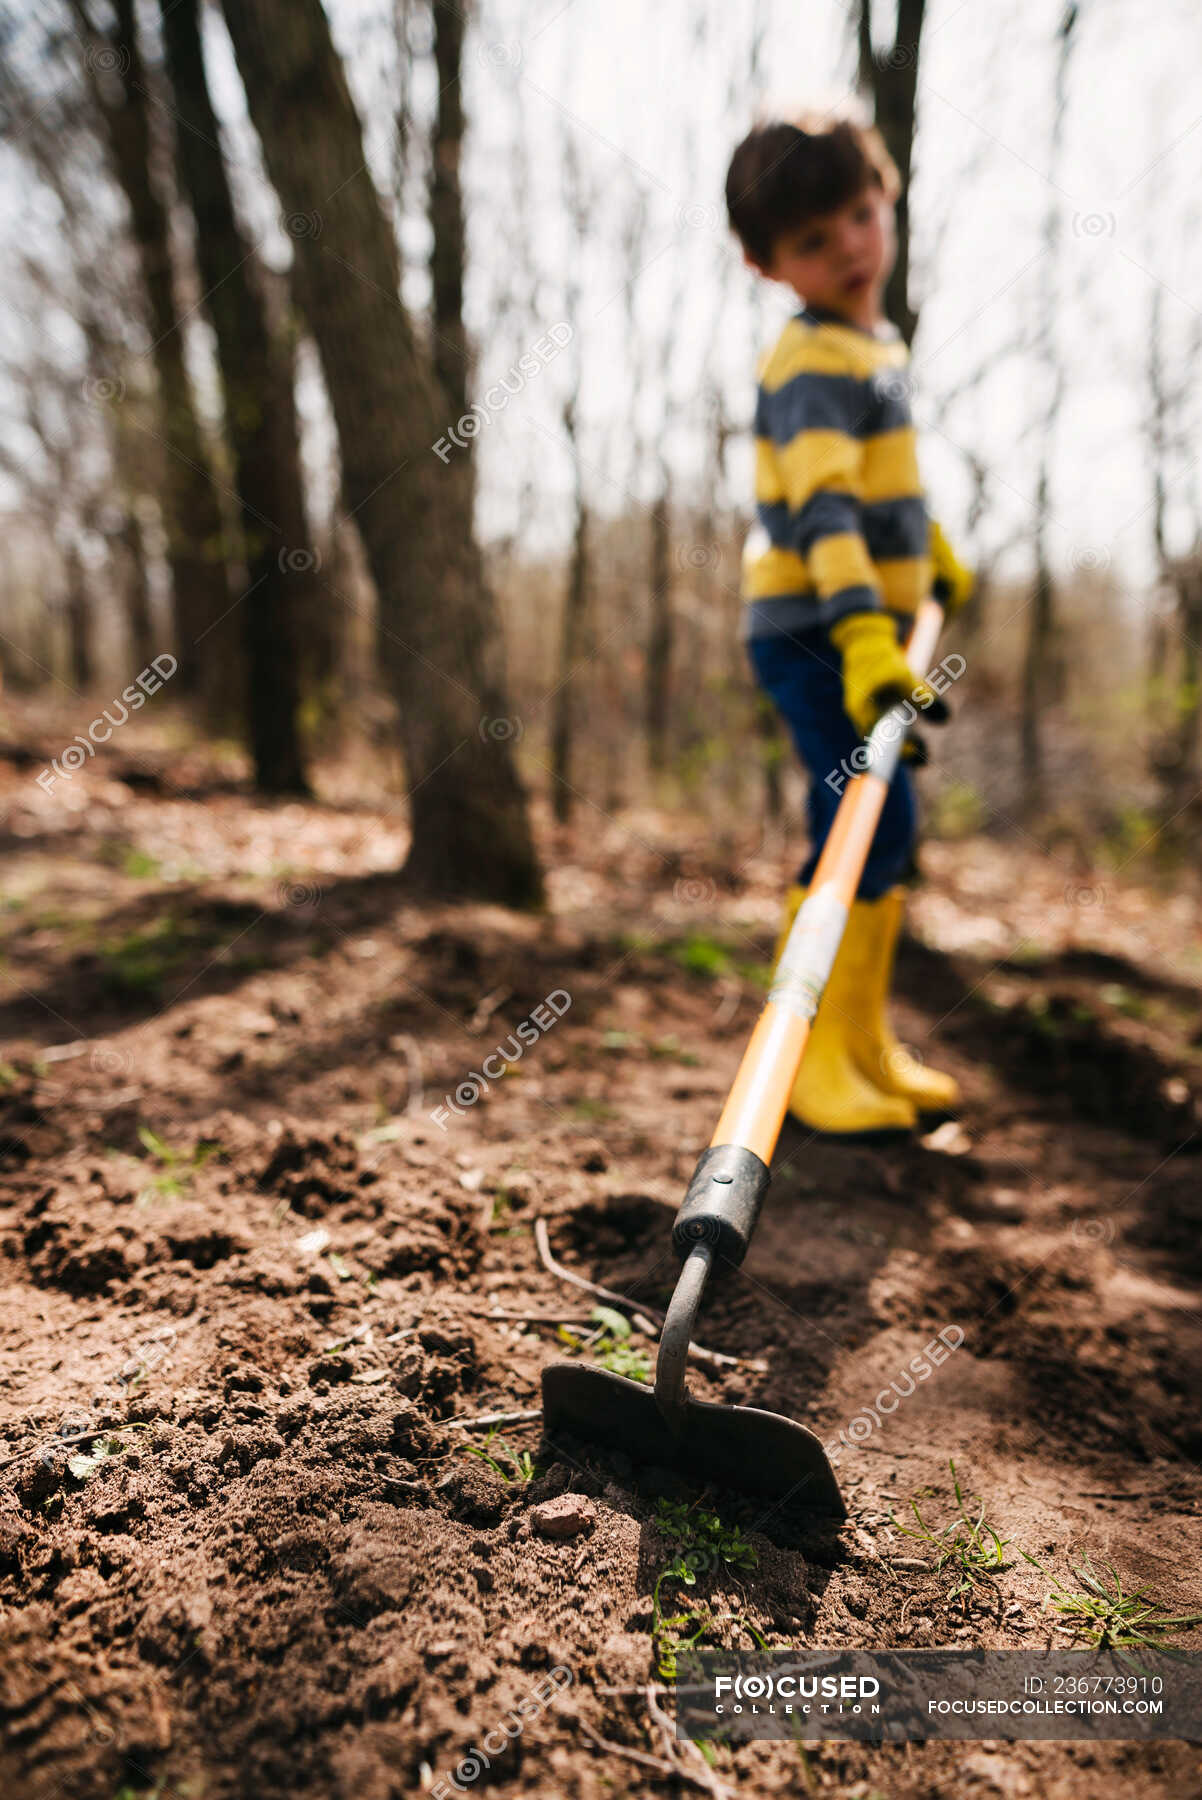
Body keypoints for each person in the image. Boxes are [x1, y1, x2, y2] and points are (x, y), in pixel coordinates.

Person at [725, 113, 974, 1134]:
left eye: (860, 217)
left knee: (885, 829)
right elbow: (822, 508)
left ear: (887, 195)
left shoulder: (870, 346)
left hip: (854, 623)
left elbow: (873, 492)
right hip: (815, 632)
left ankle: (861, 1043)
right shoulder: (811, 358)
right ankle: (814, 1060)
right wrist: (865, 636)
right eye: (812, 242)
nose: (850, 250)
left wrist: (927, 550)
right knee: (851, 830)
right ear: (765, 264)